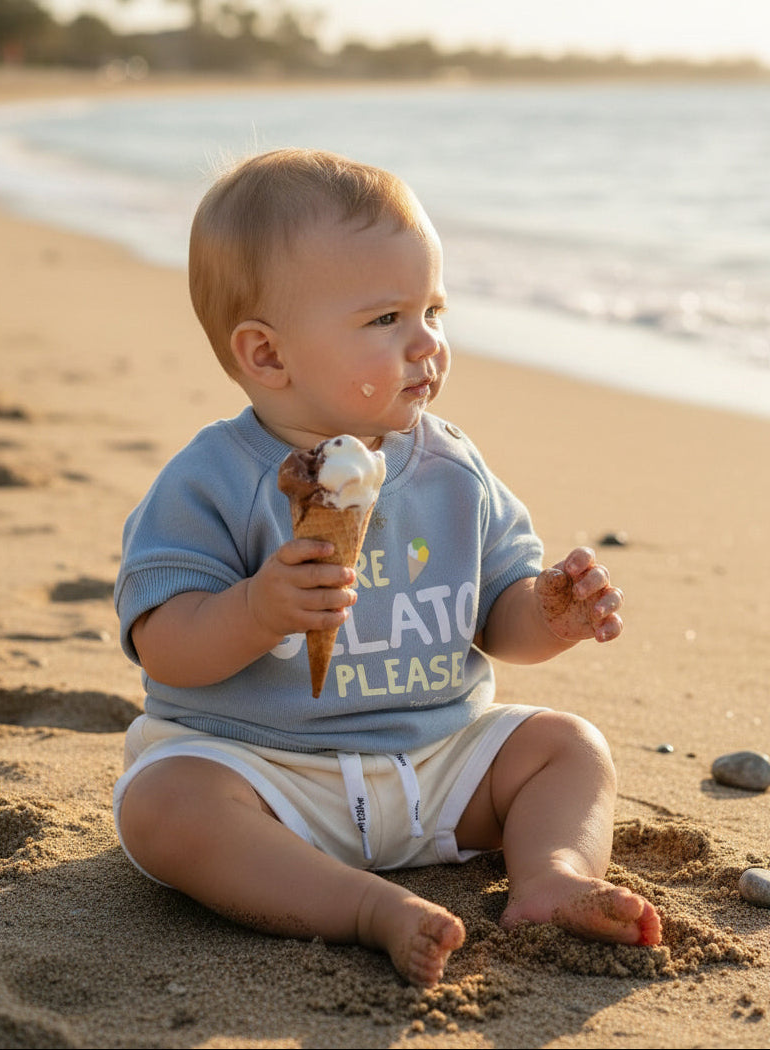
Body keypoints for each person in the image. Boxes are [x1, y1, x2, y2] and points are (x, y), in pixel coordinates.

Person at [113, 147, 661, 988]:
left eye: (432, 309)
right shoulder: (210, 479)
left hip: (436, 762)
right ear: (267, 356)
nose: (426, 343)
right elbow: (164, 646)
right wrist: (257, 611)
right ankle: (359, 906)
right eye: (385, 321)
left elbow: (496, 619)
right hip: (267, 773)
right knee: (163, 809)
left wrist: (547, 614)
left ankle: (551, 876)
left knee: (567, 747)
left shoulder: (452, 468)